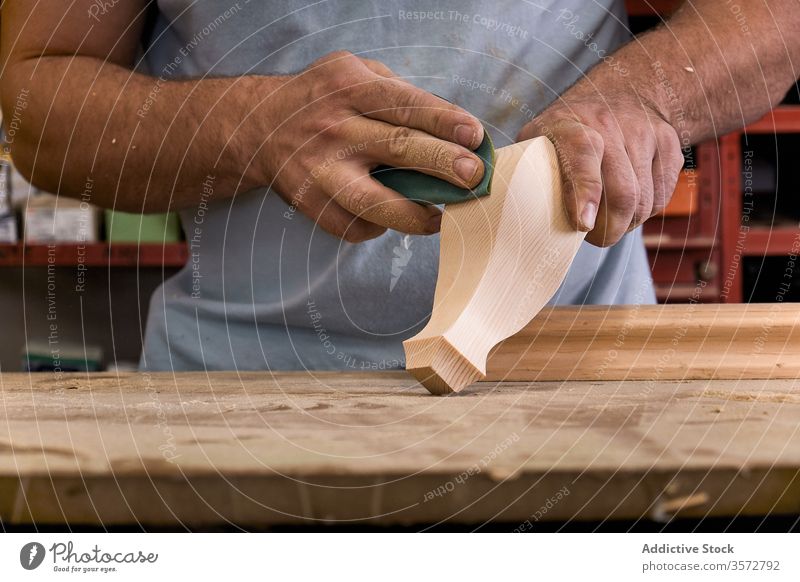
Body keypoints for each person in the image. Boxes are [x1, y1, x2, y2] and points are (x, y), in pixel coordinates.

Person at [1, 2, 797, 371]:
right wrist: (250, 124)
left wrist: (650, 93)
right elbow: (37, 101)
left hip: (578, 367)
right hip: (238, 387)